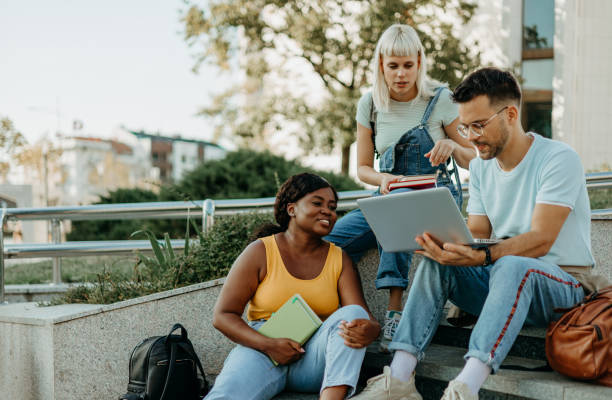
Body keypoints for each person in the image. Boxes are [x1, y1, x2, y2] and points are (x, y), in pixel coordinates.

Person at [352, 67, 595, 400]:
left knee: (512, 265)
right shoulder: (481, 167)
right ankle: (399, 378)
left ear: (510, 114)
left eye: (478, 125)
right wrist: (446, 244)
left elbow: (541, 239)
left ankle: (465, 387)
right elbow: (478, 232)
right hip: (500, 278)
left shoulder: (557, 158)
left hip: (563, 287)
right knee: (439, 262)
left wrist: (482, 255)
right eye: (464, 127)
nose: (470, 137)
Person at [325, 23, 476, 351]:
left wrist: (453, 147)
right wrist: (384, 180)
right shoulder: (370, 104)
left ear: (419, 62)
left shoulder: (440, 99)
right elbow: (364, 168)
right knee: (329, 244)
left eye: (408, 64)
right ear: (381, 64)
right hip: (389, 192)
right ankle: (353, 312)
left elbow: (473, 157)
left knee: (399, 203)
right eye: (393, 65)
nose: (401, 73)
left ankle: (395, 308)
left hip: (436, 194)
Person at [205, 173, 381, 400]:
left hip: (314, 359)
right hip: (261, 351)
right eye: (317, 203)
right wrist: (269, 345)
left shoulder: (340, 259)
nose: (328, 211)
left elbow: (363, 316)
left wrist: (371, 330)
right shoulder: (260, 252)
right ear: (292, 209)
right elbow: (223, 316)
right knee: (226, 394)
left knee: (352, 315)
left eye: (332, 207)